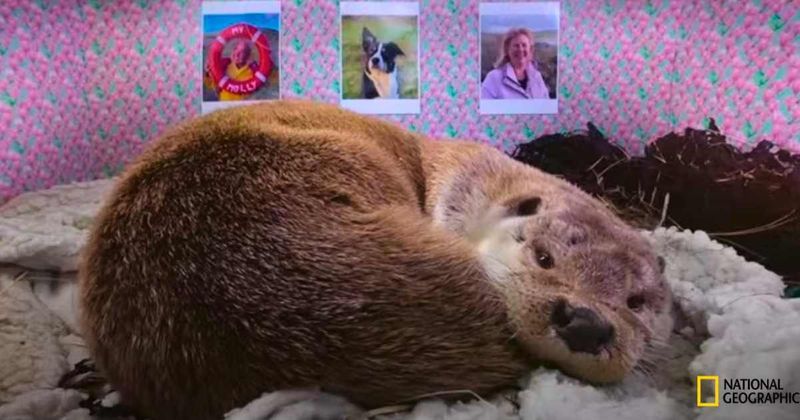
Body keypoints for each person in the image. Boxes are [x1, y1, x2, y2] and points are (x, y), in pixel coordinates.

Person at [481, 28, 550, 99]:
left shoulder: (537, 77)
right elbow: (484, 107)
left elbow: (546, 106)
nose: (520, 49)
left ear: (530, 50)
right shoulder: (493, 78)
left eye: (524, 45)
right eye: (516, 46)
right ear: (507, 50)